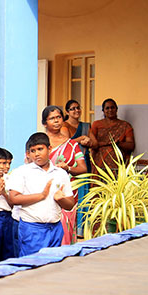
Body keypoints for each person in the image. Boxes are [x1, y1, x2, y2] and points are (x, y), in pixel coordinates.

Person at [8, 133, 75, 256]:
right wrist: (42, 195)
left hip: (55, 227)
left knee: (52, 265)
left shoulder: (60, 173)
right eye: (33, 151)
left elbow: (70, 204)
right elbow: (13, 198)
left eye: (40, 149)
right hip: (32, 228)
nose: (36, 154)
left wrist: (61, 199)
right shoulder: (22, 172)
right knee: (32, 266)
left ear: (49, 149)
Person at [42, 106, 87, 245]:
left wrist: (68, 167)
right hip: (44, 193)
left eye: (58, 117)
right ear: (45, 123)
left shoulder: (72, 144)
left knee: (65, 231)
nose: (56, 121)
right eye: (52, 118)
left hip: (67, 193)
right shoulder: (40, 143)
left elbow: (82, 168)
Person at [62, 100, 92, 237]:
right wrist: (80, 139)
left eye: (78, 108)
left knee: (84, 195)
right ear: (67, 112)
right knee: (72, 196)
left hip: (84, 162)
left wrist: (89, 141)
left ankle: (82, 229)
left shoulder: (85, 126)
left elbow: (94, 142)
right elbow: (65, 143)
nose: (76, 111)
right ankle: (71, 228)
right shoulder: (64, 126)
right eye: (72, 109)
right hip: (70, 165)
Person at [89, 98, 135, 171]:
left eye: (112, 107)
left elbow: (131, 145)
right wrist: (106, 143)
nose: (110, 110)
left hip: (117, 162)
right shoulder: (96, 124)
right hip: (99, 162)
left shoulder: (125, 125)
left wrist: (118, 144)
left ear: (116, 109)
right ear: (103, 111)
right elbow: (92, 143)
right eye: (107, 108)